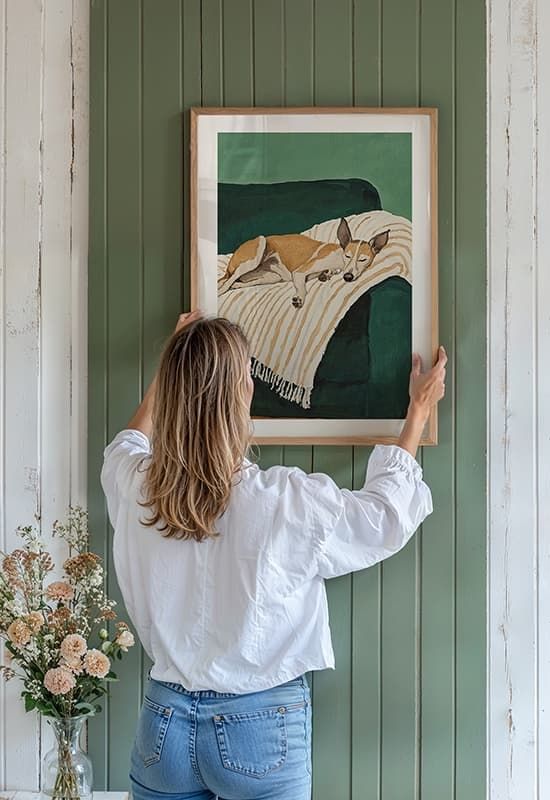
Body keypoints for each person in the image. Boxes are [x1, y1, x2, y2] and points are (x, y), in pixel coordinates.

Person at [101, 311, 447, 800]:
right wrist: (417, 413)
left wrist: (176, 369)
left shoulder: (134, 484)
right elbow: (384, 517)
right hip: (258, 729)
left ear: (172, 391)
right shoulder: (283, 500)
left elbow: (127, 443)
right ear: (242, 393)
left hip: (164, 727)